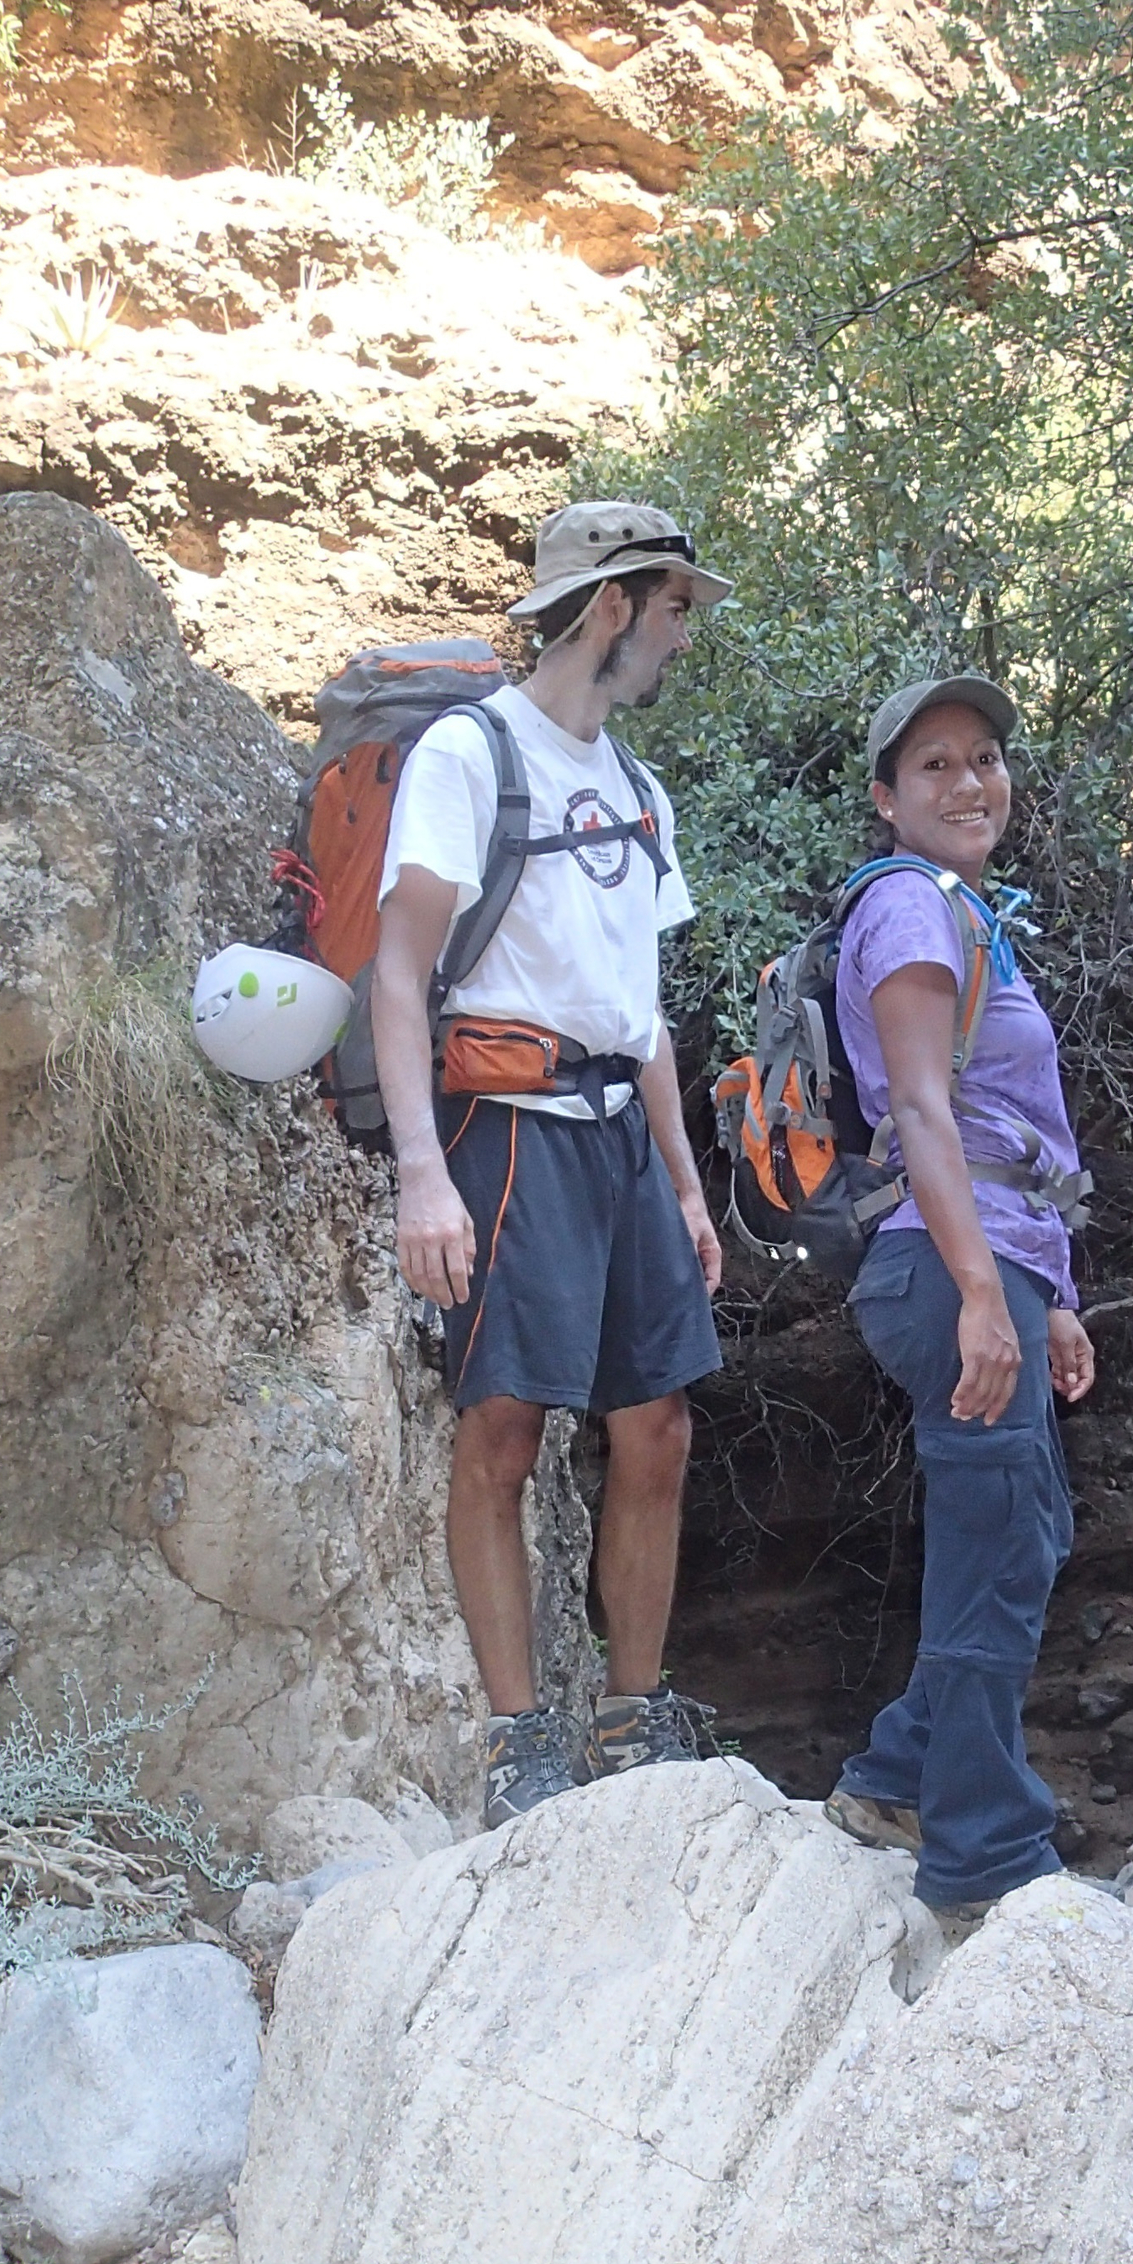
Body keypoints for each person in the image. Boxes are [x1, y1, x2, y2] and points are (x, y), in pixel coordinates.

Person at [371, 501, 729, 1823]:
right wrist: (422, 1169)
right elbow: (399, 970)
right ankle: (517, 1736)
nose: (686, 632)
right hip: (507, 1130)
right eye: (676, 604)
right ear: (612, 607)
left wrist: (688, 1186)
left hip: (621, 1141)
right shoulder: (470, 756)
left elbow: (641, 1015)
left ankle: (631, 1716)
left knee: (660, 1423)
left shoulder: (642, 795)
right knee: (505, 1425)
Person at [823, 675, 1095, 1931]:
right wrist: (986, 1293)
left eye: (983, 758)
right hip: (948, 1262)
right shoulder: (911, 913)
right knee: (992, 1544)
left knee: (1023, 1531)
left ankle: (893, 1778)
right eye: (931, 766)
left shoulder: (964, 913)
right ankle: (986, 1852)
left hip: (986, 1259)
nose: (967, 782)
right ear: (886, 800)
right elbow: (922, 1114)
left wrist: (1043, 1297)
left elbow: (1000, 1132)